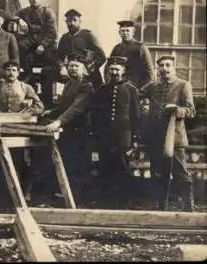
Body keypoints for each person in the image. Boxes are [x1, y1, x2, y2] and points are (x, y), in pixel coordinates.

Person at [140, 55, 196, 212]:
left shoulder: (183, 85)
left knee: (181, 174)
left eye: (167, 65)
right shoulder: (153, 86)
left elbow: (191, 111)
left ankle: (188, 209)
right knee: (158, 174)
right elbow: (136, 95)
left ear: (173, 68)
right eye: (161, 66)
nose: (164, 69)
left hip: (175, 137)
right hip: (156, 137)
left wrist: (176, 110)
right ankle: (161, 208)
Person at [0, 61, 45, 201]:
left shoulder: (26, 88)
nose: (11, 73)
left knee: (23, 161)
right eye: (8, 70)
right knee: (2, 160)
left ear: (18, 72)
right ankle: (4, 194)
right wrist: (2, 115)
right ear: (3, 72)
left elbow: (40, 107)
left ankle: (25, 192)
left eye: (14, 70)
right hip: (3, 128)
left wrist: (28, 107)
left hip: (21, 129)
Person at [90, 56, 141, 208]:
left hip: (123, 137)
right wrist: (97, 132)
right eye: (111, 69)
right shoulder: (102, 90)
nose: (114, 72)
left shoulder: (131, 90)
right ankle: (107, 201)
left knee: (122, 167)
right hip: (105, 137)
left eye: (117, 69)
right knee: (105, 166)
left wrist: (135, 138)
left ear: (123, 71)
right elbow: (95, 113)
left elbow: (136, 115)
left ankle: (124, 201)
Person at [44, 53, 94, 202]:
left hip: (79, 130)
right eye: (70, 66)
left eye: (76, 66)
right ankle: (66, 194)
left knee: (77, 163)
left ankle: (77, 198)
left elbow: (75, 108)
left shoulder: (86, 86)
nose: (72, 69)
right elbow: (63, 106)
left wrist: (58, 122)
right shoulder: (69, 83)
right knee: (67, 160)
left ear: (84, 69)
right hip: (68, 129)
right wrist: (50, 112)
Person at [13, 0, 58, 107]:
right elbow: (11, 17)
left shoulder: (47, 12)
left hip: (46, 49)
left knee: (47, 72)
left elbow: (52, 32)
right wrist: (18, 20)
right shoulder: (24, 12)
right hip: (30, 48)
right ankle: (29, 100)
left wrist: (43, 45)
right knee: (26, 70)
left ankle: (47, 103)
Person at [57, 9, 106, 90]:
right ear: (66, 22)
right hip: (72, 72)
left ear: (80, 22)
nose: (72, 23)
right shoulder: (64, 38)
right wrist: (62, 67)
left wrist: (89, 69)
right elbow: (58, 57)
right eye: (69, 21)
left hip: (88, 73)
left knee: (96, 95)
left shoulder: (88, 36)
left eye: (74, 20)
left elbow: (101, 56)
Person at [110, 20, 154, 89]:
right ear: (119, 33)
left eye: (128, 31)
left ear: (133, 32)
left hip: (136, 87)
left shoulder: (140, 48)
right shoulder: (116, 48)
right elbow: (109, 68)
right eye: (123, 31)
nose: (125, 33)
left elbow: (150, 72)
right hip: (119, 87)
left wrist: (143, 90)